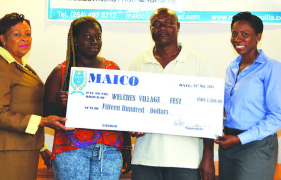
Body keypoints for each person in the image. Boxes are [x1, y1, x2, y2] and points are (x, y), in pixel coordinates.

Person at [0, 13, 74, 180]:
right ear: (3, 38)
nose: (25, 39)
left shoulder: (21, 65)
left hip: (24, 148)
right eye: (17, 34)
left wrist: (41, 147)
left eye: (28, 34)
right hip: (5, 152)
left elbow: (27, 107)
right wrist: (44, 121)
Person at [129, 8, 215, 180]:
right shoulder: (138, 62)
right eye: (156, 24)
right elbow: (129, 108)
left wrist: (208, 157)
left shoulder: (197, 62)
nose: (162, 28)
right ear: (150, 29)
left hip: (186, 160)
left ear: (178, 26)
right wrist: (130, 126)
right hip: (145, 158)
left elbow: (209, 114)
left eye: (167, 23)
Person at [44, 16, 131, 180]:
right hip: (71, 151)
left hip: (109, 151)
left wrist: (127, 147)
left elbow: (122, 111)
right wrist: (62, 105)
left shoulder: (112, 69)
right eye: (88, 37)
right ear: (75, 40)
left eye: (98, 37)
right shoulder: (61, 72)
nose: (94, 41)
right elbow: (46, 113)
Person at [214, 11, 281, 180]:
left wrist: (240, 139)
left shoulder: (271, 68)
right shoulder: (232, 67)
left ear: (258, 36)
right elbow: (228, 107)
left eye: (245, 34)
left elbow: (277, 116)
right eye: (234, 34)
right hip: (228, 142)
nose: (238, 38)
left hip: (257, 145)